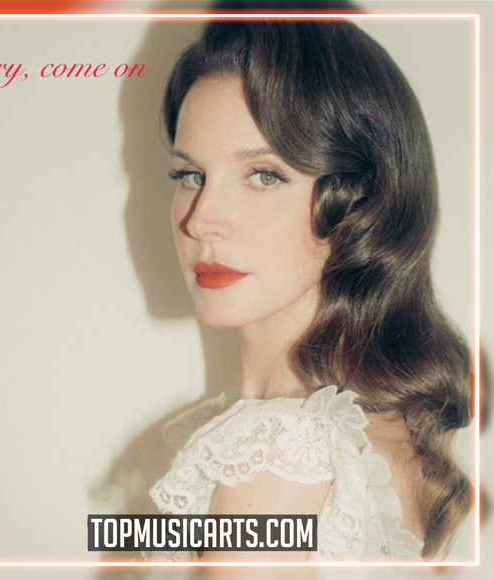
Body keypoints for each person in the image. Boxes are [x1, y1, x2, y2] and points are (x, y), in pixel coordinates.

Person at [147, 19, 471, 563]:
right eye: (191, 176)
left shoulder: (276, 454)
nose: (201, 221)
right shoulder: (372, 431)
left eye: (265, 175)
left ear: (359, 202)